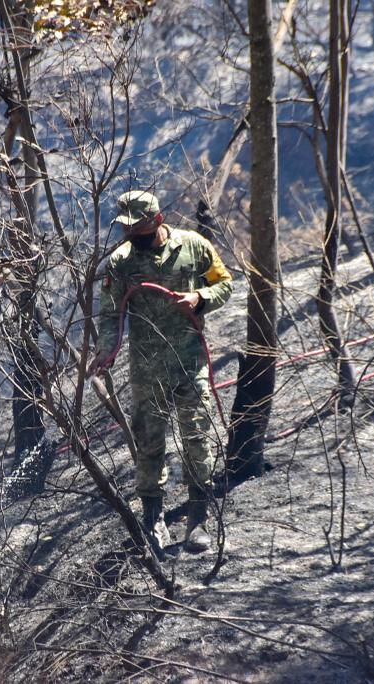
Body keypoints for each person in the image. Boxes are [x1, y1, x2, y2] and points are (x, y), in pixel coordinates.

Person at [91, 190, 233, 556]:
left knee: (196, 436)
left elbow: (225, 283)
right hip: (147, 368)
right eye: (125, 228)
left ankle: (198, 518)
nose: (130, 234)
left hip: (190, 362)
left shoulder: (194, 246)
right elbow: (110, 314)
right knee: (149, 443)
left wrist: (200, 299)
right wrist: (106, 350)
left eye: (136, 227)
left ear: (156, 221)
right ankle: (153, 518)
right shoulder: (121, 262)